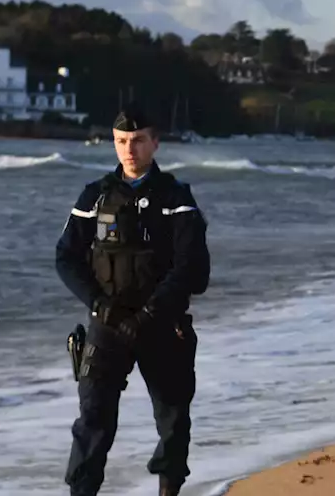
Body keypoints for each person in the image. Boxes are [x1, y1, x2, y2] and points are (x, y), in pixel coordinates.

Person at [56, 103, 210, 496]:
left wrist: (150, 314)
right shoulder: (94, 197)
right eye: (122, 141)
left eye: (138, 141)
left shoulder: (177, 199)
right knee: (92, 419)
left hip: (160, 325)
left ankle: (168, 491)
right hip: (107, 326)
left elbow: (192, 267)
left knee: (173, 418)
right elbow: (66, 258)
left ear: (155, 143)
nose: (129, 149)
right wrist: (98, 304)